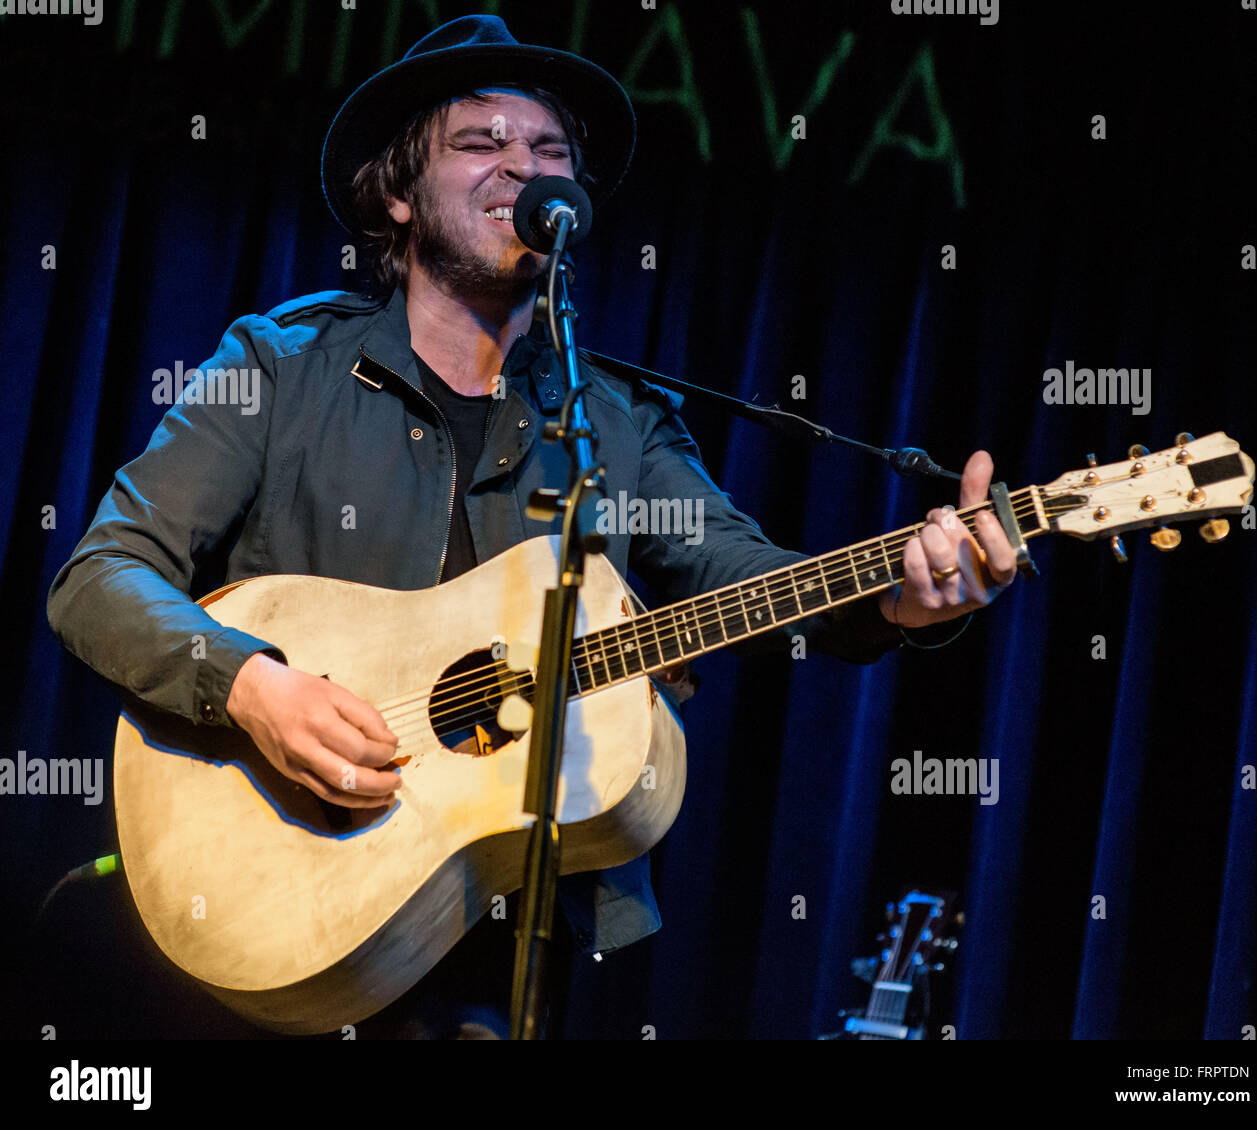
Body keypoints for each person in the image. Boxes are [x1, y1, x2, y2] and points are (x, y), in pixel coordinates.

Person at [46, 14, 1018, 1039]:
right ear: (397, 194)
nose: (523, 164)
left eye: (549, 152)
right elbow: (102, 575)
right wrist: (255, 684)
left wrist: (899, 595)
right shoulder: (279, 365)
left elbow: (748, 578)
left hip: (497, 944)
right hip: (267, 888)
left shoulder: (617, 422)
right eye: (481, 143)